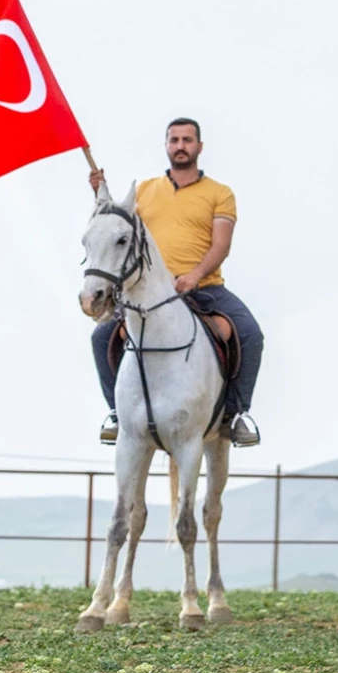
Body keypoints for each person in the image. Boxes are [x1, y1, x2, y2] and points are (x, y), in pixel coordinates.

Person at [88, 117, 264, 447]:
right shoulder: (143, 192)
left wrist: (195, 276)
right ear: (166, 145)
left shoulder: (220, 194)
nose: (180, 146)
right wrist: (99, 193)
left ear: (199, 146)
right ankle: (117, 413)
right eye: (174, 140)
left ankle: (236, 415)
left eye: (187, 140)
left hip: (206, 286)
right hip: (150, 292)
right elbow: (114, 230)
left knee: (251, 334)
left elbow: (221, 244)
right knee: (101, 337)